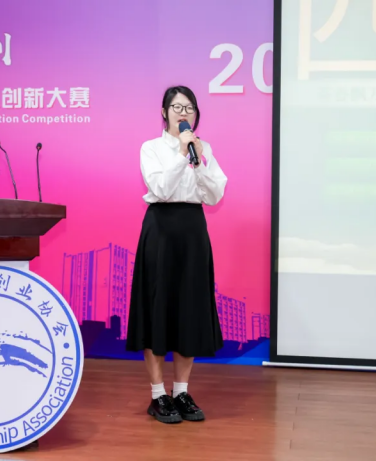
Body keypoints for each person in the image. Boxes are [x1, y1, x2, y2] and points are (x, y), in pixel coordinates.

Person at [126, 86, 228, 424]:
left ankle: (181, 391)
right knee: (157, 308)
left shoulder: (203, 148)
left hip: (193, 231)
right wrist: (181, 154)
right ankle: (158, 395)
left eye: (189, 108)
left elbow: (214, 194)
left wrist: (197, 158)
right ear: (164, 112)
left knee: (189, 308)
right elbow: (160, 188)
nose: (184, 113)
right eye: (177, 107)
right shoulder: (151, 148)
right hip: (161, 230)